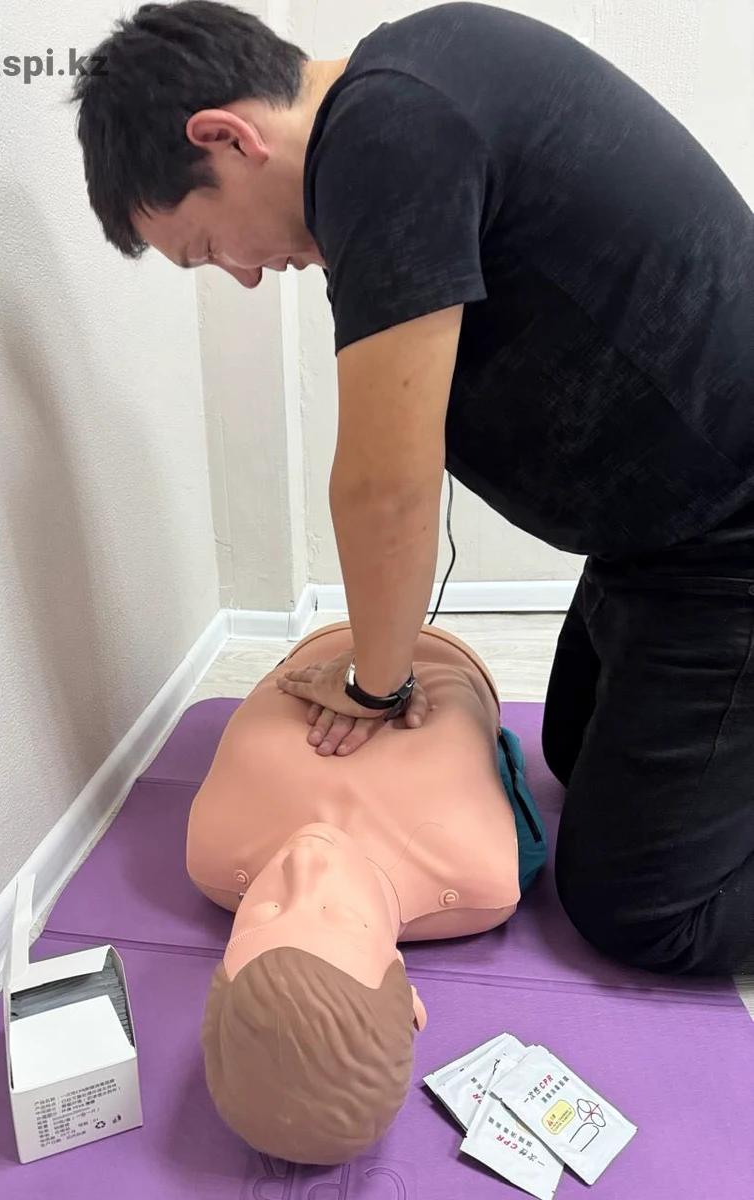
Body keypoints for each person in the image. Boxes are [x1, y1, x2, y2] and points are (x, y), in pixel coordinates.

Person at [70, 3, 754, 976]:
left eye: (209, 246)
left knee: (640, 908)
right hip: (652, 539)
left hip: (726, 538)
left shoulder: (391, 135)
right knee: (568, 748)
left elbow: (386, 483)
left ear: (226, 137)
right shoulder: (406, 93)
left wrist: (376, 682)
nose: (246, 277)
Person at [188, 618, 546, 1163]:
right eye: (333, 914)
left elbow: (274, 690)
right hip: (440, 651)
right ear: (410, 1003)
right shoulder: (483, 874)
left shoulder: (216, 854)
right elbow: (484, 725)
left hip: (314, 652)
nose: (305, 860)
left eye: (270, 911)